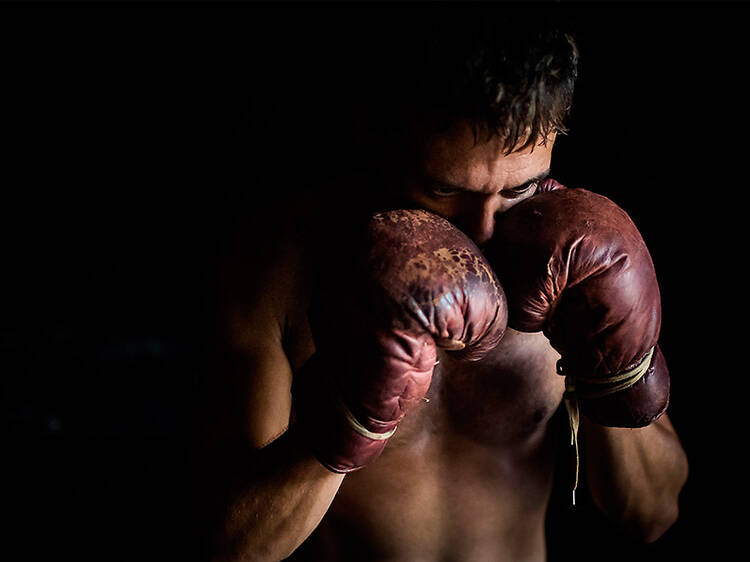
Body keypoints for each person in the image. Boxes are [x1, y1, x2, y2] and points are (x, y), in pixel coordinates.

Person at [195, 7, 688, 561]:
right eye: (444, 190)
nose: (485, 231)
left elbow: (654, 515)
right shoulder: (276, 271)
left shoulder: (578, 260)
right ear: (375, 136)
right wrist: (347, 414)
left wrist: (618, 372)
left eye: (519, 190)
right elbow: (232, 547)